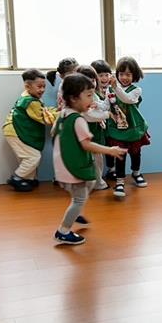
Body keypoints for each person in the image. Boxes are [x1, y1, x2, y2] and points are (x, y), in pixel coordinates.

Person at [51, 73, 126, 246]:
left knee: (90, 183)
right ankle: (63, 231)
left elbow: (54, 132)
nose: (92, 100)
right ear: (74, 98)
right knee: (79, 198)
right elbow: (87, 145)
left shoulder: (63, 114)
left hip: (62, 164)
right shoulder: (78, 120)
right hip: (72, 166)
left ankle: (75, 213)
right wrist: (110, 150)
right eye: (89, 95)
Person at [106, 56, 150, 199]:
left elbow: (127, 99)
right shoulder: (110, 89)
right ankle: (120, 181)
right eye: (121, 74)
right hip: (117, 129)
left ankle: (136, 173)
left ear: (134, 75)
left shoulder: (136, 90)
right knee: (120, 155)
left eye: (128, 74)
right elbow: (106, 104)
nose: (124, 77)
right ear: (117, 74)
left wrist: (115, 87)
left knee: (135, 153)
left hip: (133, 128)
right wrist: (96, 105)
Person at [3, 69, 53, 192]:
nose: (42, 90)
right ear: (27, 86)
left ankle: (28, 179)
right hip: (15, 131)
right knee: (33, 157)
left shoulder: (27, 96)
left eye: (44, 86)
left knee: (27, 156)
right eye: (39, 86)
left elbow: (43, 111)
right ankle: (17, 178)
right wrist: (60, 114)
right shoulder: (30, 102)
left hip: (14, 130)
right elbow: (44, 118)